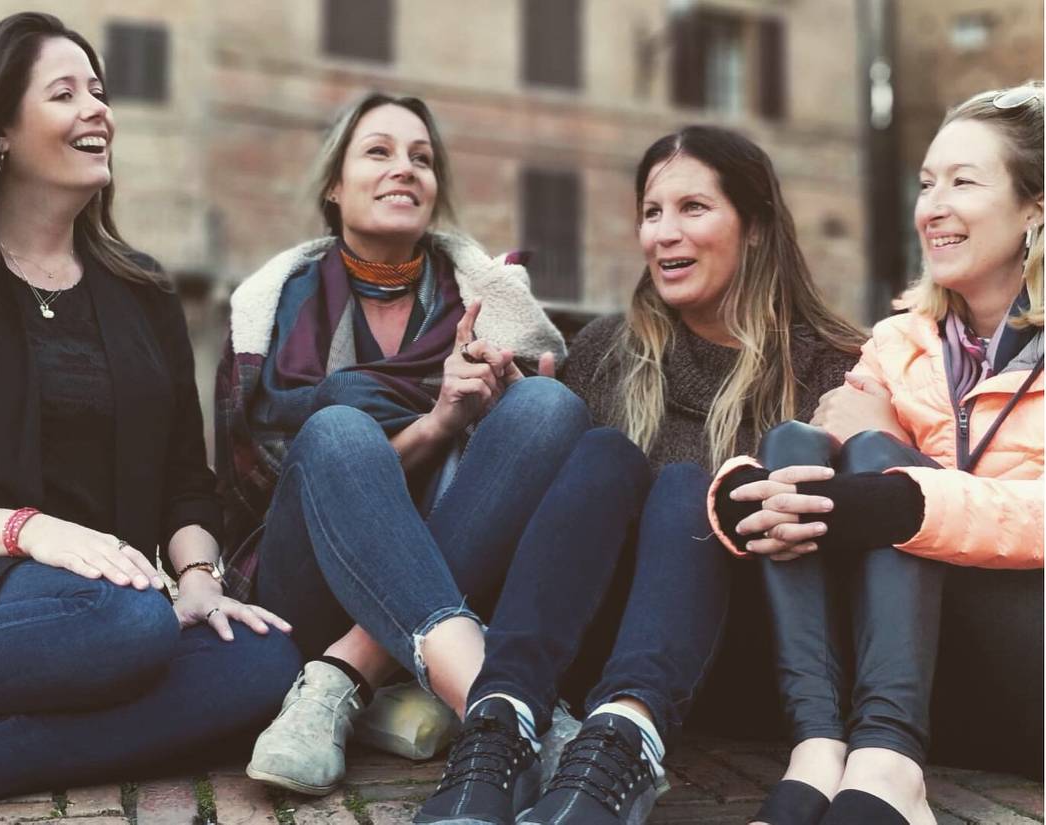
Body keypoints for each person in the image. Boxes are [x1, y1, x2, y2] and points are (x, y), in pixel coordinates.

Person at [410, 125, 864, 825]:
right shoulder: (604, 351)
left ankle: (632, 742)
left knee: (691, 487)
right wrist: (494, 415)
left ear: (755, 227)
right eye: (652, 212)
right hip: (592, 661)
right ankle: (503, 725)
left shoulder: (837, 365)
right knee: (602, 454)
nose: (663, 234)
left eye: (693, 208)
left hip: (744, 657)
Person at [0, 13, 301, 805]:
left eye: (100, 92)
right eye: (65, 93)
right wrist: (29, 529)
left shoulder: (143, 292)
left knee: (266, 661)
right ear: (0, 129)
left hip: (108, 601)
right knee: (125, 624)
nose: (97, 110)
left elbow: (184, 477)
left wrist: (201, 576)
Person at [215, 91, 594, 798]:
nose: (406, 170)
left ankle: (345, 674)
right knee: (336, 431)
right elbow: (271, 486)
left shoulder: (488, 308)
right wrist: (439, 422)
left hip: (459, 559)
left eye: (422, 159)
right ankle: (506, 699)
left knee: (547, 406)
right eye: (379, 151)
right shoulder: (269, 313)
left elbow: (512, 480)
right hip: (310, 576)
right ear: (334, 185)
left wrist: (491, 403)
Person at [710, 82, 1044, 825]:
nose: (933, 206)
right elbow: (825, 459)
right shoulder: (899, 341)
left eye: (964, 181)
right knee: (798, 442)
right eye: (927, 184)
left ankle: (890, 760)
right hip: (932, 659)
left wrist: (905, 492)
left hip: (1034, 656)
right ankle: (823, 747)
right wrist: (743, 497)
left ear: (1036, 207)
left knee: (883, 467)